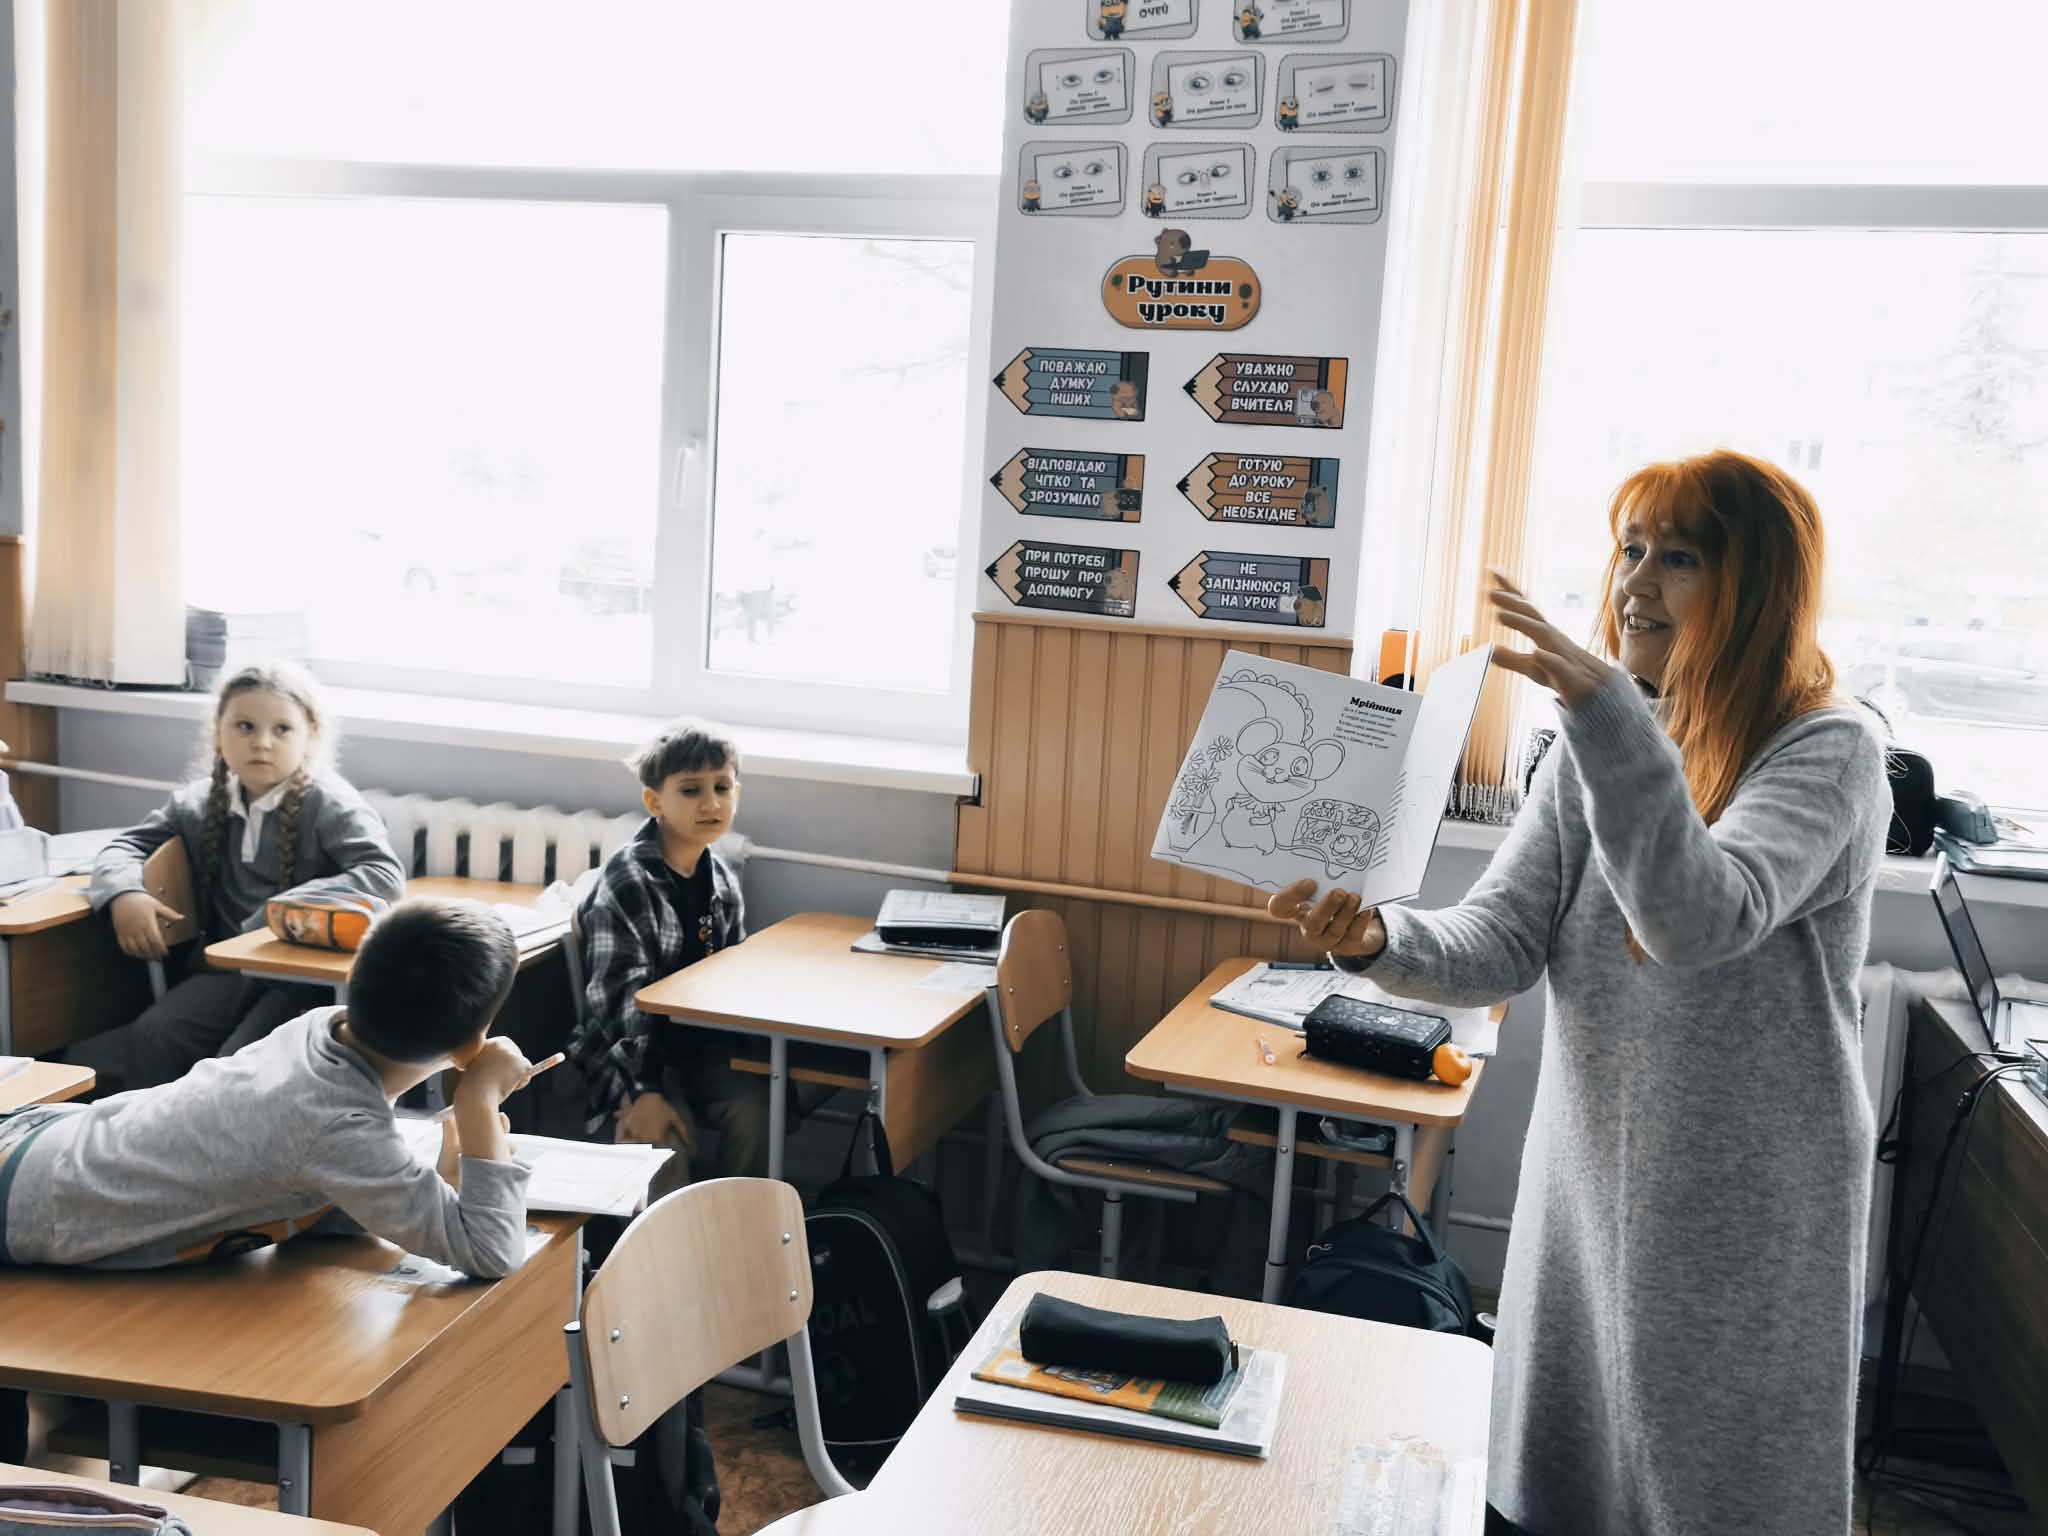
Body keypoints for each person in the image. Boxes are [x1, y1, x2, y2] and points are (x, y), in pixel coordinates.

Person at [1271, 450, 1888, 1536]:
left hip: (1745, 1201)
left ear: (1758, 587)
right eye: (1629, 550)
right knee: (1564, 1470)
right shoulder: (1600, 742)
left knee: (1714, 1486)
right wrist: (1374, 938)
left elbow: (1699, 920)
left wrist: (1606, 718)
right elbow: (1502, 940)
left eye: (1679, 558)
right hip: (1592, 1173)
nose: (1634, 584)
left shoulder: (1828, 747)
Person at [0, 897, 537, 1275]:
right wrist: (477, 1101)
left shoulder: (322, 1028)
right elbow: (491, 1252)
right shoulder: (340, 1126)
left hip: (46, 1142)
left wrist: (440, 1178)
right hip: (34, 1206)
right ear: (471, 1047)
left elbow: (322, 1184)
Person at [73, 662, 407, 1091]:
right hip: (228, 973)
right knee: (155, 1035)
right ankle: (152, 1132)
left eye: (282, 729)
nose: (262, 743)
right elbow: (124, 848)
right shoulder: (196, 804)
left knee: (236, 1061)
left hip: (303, 981)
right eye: (245, 726)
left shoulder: (330, 803)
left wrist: (282, 910)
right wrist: (125, 895)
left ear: (309, 736)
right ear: (219, 732)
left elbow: (382, 873)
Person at [570, 719, 785, 1195]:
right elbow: (617, 1001)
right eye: (691, 790)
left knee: (760, 1109)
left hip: (699, 1049)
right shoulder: (629, 882)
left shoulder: (721, 880)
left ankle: (736, 1221)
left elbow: (728, 977)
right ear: (655, 802)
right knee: (664, 1142)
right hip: (630, 1057)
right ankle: (675, 1235)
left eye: (722, 787)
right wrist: (644, 1090)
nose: (711, 803)